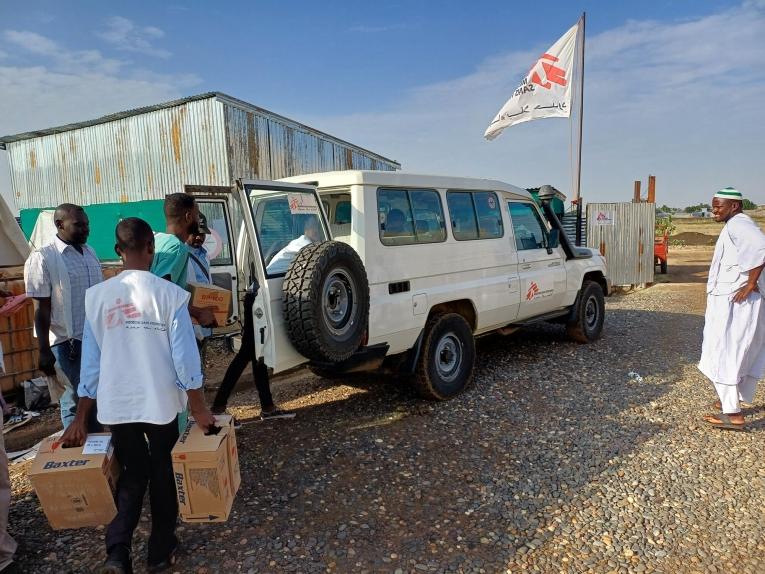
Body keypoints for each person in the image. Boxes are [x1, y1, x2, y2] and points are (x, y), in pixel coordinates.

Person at [61, 218, 215, 574]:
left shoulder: (97, 297)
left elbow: (92, 364)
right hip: (159, 405)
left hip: (117, 407)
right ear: (151, 249)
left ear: (118, 251)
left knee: (132, 472)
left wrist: (81, 418)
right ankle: (159, 552)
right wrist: (199, 408)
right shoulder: (171, 295)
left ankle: (117, 552)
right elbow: (184, 356)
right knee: (162, 472)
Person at [24, 203, 103, 429]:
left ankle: (99, 456)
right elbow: (41, 308)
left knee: (95, 397)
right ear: (60, 224)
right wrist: (43, 351)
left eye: (87, 224)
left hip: (94, 339)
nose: (86, 229)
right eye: (79, 225)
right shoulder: (43, 257)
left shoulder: (90, 253)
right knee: (75, 400)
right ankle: (79, 454)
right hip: (67, 343)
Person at [698, 187, 765, 430]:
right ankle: (732, 399)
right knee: (736, 350)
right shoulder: (735, 225)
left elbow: (761, 248)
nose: (713, 210)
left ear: (734, 206)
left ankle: (733, 415)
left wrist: (750, 283)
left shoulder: (739, 224)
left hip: (736, 303)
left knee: (724, 351)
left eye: (718, 206)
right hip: (734, 301)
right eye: (713, 205)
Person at [211, 279, 294, 420]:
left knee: (257, 356)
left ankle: (267, 406)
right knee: (248, 355)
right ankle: (218, 407)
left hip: (256, 295)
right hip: (258, 298)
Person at [152, 193, 217, 328]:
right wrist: (198, 313)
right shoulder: (176, 247)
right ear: (188, 217)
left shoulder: (158, 241)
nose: (198, 219)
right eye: (197, 215)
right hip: (172, 329)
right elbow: (162, 295)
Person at [186, 212, 213, 343]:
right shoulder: (181, 256)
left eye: (201, 234)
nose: (198, 237)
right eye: (195, 234)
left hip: (205, 322)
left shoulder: (205, 256)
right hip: (190, 324)